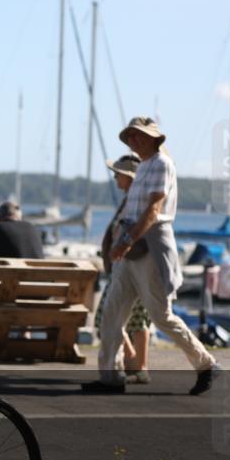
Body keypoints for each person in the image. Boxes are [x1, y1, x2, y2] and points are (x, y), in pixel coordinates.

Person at [82, 117, 220, 395]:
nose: (134, 140)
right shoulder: (145, 165)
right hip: (131, 249)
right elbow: (135, 213)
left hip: (148, 249)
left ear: (155, 139)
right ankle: (110, 377)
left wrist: (126, 241)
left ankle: (206, 365)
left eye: (139, 136)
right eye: (130, 136)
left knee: (161, 316)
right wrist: (122, 242)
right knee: (111, 313)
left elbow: (154, 209)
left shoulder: (161, 164)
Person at [95, 153, 152, 384]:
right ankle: (137, 364)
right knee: (136, 319)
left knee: (114, 318)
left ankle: (134, 362)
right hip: (128, 265)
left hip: (132, 265)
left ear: (129, 177)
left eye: (118, 174)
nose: (115, 177)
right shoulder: (131, 198)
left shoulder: (135, 200)